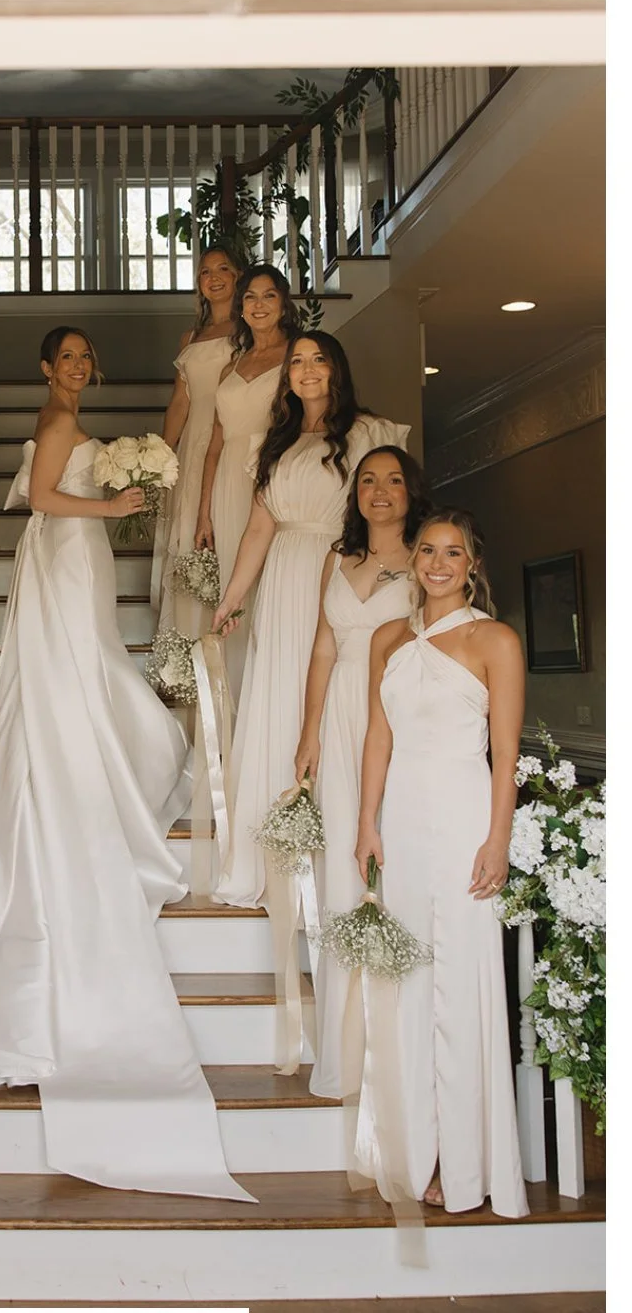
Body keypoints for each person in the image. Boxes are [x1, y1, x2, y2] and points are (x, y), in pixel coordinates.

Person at [0, 327, 255, 1204]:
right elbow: (48, 505)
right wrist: (117, 501)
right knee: (77, 671)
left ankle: (92, 761)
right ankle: (75, 773)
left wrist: (119, 502)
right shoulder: (54, 418)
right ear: (45, 365)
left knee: (92, 665)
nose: (73, 368)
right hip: (64, 553)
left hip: (76, 561)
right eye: (62, 356)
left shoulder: (67, 413)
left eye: (81, 359)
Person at [355, 510, 528, 1218]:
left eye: (451, 552)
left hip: (462, 820)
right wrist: (366, 821)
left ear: (471, 564)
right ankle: (414, 1148)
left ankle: (465, 1160)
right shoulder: (385, 638)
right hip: (401, 820)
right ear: (412, 561)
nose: (436, 562)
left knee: (459, 983)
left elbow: (504, 753)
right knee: (408, 982)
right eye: (425, 549)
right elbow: (376, 737)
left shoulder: (494, 638)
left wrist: (496, 838)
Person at [211, 331, 408, 909]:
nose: (306, 369)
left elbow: (393, 506)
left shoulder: (368, 432)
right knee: (284, 697)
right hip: (285, 579)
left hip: (344, 571)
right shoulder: (274, 443)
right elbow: (257, 530)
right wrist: (232, 598)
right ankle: (284, 854)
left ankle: (350, 843)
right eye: (296, 362)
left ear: (336, 369)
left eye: (318, 359)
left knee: (341, 702)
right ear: (286, 377)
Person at [293, 446, 430, 1098]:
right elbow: (322, 646)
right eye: (368, 480)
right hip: (339, 718)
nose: (380, 491)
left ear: (411, 492)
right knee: (341, 869)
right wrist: (307, 732)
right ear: (356, 493)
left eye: (393, 480)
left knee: (389, 856)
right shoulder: (336, 558)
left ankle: (397, 1036)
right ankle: (346, 1044)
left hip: (396, 715)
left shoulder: (426, 561)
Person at [194, 263, 298, 694]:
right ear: (241, 306)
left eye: (268, 295)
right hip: (227, 488)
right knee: (233, 590)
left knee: (271, 587)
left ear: (283, 303)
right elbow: (215, 445)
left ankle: (271, 694)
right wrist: (203, 513)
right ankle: (235, 700)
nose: (258, 305)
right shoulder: (230, 367)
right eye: (250, 297)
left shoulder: (298, 356)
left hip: (274, 479)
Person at [151, 246, 246, 639]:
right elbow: (179, 402)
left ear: (239, 276)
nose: (215, 277)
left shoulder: (250, 329)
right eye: (206, 271)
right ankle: (190, 638)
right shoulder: (190, 336)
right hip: (194, 443)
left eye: (224, 268)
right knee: (191, 530)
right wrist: (158, 455)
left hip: (233, 435)